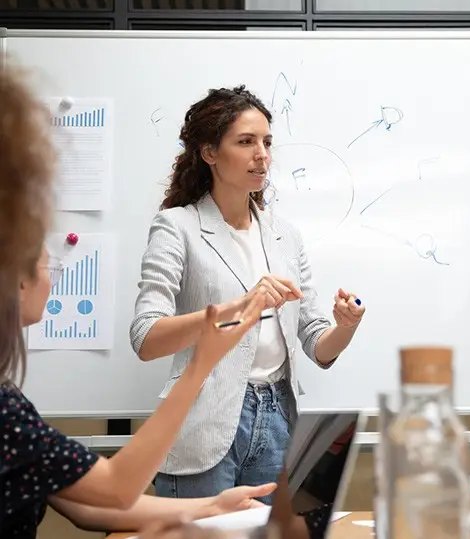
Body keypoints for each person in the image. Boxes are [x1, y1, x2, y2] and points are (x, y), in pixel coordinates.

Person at [0, 64, 274, 538]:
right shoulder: (8, 417)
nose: (261, 155)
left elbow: (89, 508)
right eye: (47, 263)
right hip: (203, 437)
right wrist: (201, 363)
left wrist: (209, 506)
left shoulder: (11, 405)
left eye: (267, 142)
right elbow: (113, 491)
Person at [129, 85, 366, 501]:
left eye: (267, 143)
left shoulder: (285, 235)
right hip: (201, 422)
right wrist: (240, 307)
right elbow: (146, 338)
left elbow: (317, 344)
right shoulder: (177, 227)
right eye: (246, 142)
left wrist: (345, 327)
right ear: (209, 152)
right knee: (203, 532)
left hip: (277, 420)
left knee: (268, 532)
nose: (262, 155)